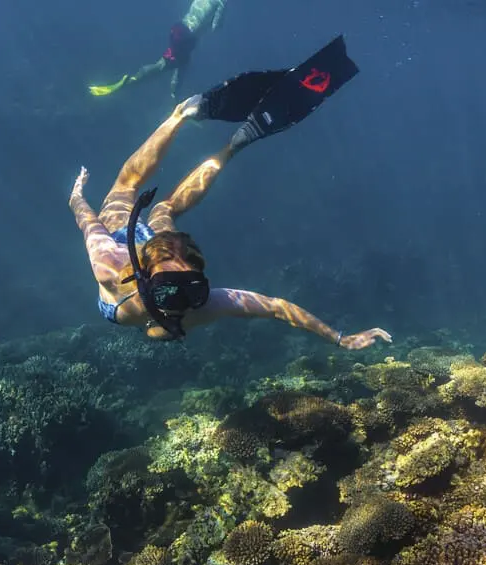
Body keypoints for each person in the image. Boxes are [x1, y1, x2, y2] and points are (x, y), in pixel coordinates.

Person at [70, 36, 391, 350]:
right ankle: (221, 143)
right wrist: (338, 338)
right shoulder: (202, 304)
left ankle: (187, 121)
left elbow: (89, 223)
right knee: (161, 209)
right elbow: (275, 307)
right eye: (182, 290)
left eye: (189, 290)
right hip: (134, 249)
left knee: (128, 190)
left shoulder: (108, 265)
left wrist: (77, 197)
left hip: (124, 246)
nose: (178, 302)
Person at [88, 0, 228, 98]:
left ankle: (174, 95)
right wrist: (218, 19)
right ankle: (133, 80)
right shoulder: (221, 1)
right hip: (188, 37)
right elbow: (216, 27)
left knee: (183, 63)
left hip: (180, 29)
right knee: (164, 65)